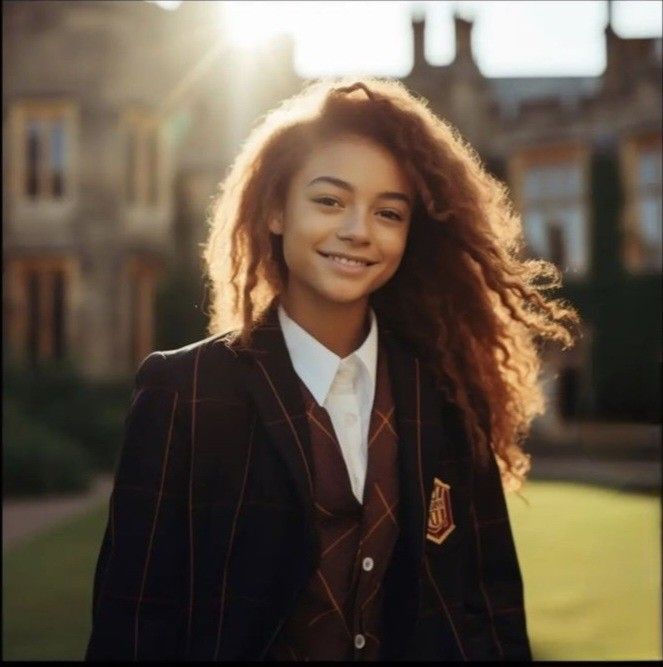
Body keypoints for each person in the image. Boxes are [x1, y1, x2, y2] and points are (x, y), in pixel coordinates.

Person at [85, 78, 579, 661]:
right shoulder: (183, 392)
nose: (358, 231)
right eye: (329, 201)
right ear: (274, 210)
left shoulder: (447, 397)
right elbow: (135, 624)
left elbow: (490, 613)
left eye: (388, 212)